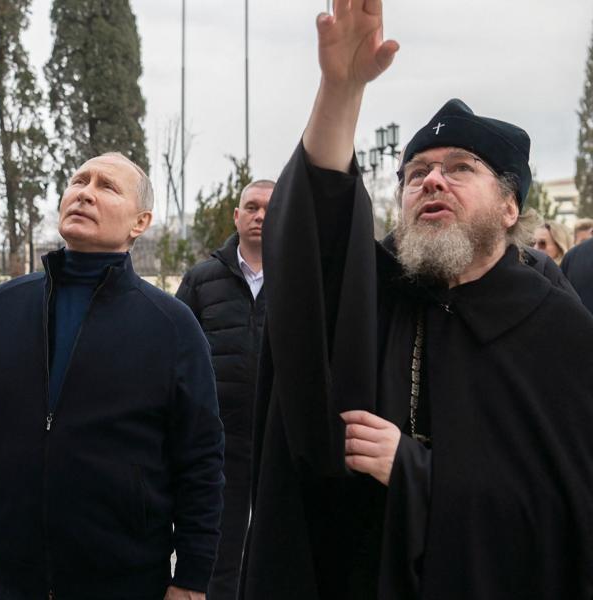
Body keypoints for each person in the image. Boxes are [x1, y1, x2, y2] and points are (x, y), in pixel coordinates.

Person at [241, 3, 593, 599]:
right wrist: (341, 90)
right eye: (416, 173)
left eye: (461, 168)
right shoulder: (378, 297)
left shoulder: (556, 328)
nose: (431, 181)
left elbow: (567, 521)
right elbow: (318, 236)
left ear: (511, 208)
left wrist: (415, 474)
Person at [0, 152, 225, 600]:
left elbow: (201, 461)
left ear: (140, 222)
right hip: (17, 577)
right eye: (78, 181)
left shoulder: (171, 325)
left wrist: (191, 577)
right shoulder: (6, 306)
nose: (85, 192)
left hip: (125, 580)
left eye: (106, 186)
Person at [175, 179, 272, 600]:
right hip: (221, 438)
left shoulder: (303, 278)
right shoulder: (201, 279)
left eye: (269, 208)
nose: (259, 216)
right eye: (251, 207)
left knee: (274, 544)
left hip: (277, 438)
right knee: (221, 544)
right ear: (236, 215)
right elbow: (175, 352)